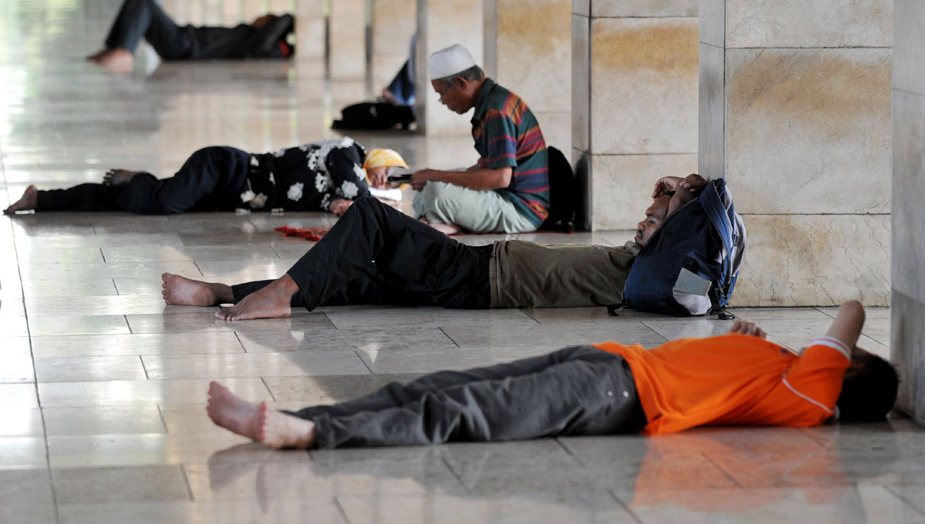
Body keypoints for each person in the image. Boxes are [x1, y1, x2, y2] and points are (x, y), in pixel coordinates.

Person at [204, 300, 898, 449]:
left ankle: (309, 437)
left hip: (618, 394)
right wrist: (744, 344)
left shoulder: (816, 392)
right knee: (437, 387)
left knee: (464, 414)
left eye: (846, 357)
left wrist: (839, 350)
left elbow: (849, 311)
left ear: (850, 370)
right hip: (605, 362)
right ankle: (302, 421)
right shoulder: (792, 374)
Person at [158, 173, 709, 320]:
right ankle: (222, 292)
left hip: (478, 276)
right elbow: (681, 211)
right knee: (356, 278)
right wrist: (671, 193)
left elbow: (694, 220)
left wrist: (684, 192)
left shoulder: (651, 273)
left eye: (654, 220)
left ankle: (280, 293)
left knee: (371, 216)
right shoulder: (641, 261)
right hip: (481, 269)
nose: (642, 222)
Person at [3, 141, 408, 217]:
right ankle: (141, 178)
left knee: (134, 202)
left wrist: (339, 205)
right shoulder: (346, 152)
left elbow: (340, 202)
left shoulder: (341, 187)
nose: (383, 182)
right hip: (225, 168)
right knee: (162, 202)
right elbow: (359, 196)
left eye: (390, 185)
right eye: (388, 175)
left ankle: (44, 199)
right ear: (380, 159)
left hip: (228, 196)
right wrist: (378, 199)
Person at [409, 43, 549, 235]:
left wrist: (439, 176)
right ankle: (447, 223)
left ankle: (445, 223)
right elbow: (487, 168)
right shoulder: (492, 102)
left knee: (436, 193)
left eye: (442, 93)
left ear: (461, 83)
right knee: (426, 190)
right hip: (501, 197)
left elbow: (500, 178)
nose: (442, 101)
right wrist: (435, 177)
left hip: (520, 210)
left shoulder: (496, 110)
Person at [87, 0, 294, 69]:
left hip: (185, 46)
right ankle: (114, 47)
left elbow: (286, 20)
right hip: (184, 37)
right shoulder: (248, 34)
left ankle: (124, 50)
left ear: (269, 26)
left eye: (266, 17)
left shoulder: (256, 42)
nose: (259, 17)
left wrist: (286, 22)